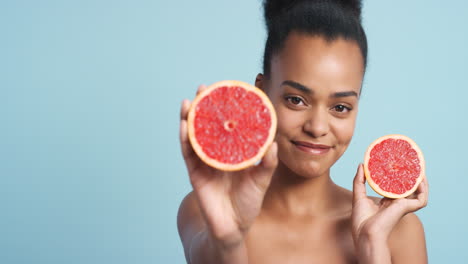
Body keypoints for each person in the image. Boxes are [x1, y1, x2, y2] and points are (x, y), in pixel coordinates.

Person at [177, 0, 429, 263]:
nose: (317, 127)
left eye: (340, 107)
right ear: (261, 92)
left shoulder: (398, 231)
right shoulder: (207, 211)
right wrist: (228, 241)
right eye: (296, 100)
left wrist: (372, 246)